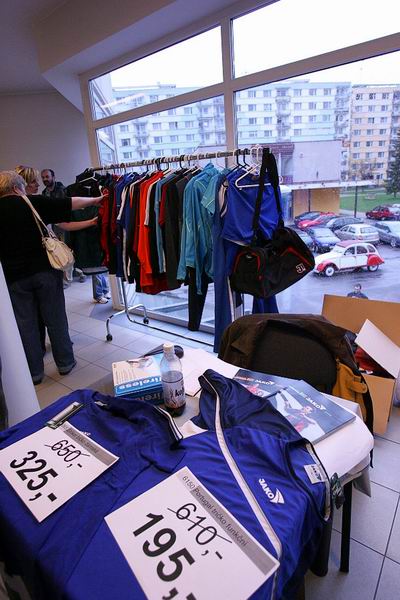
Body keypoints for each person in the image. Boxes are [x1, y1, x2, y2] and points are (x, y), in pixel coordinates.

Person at [0, 170, 104, 385]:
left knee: (26, 324)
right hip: (44, 270)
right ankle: (65, 363)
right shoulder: (32, 202)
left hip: (13, 278)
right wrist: (96, 199)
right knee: (55, 318)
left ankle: (34, 373)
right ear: (17, 188)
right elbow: (70, 203)